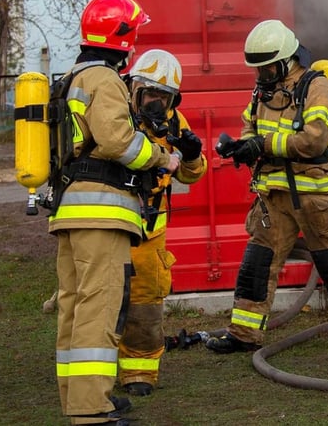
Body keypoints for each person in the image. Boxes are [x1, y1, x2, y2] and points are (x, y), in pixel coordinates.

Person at [205, 19, 328, 353]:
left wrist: (263, 145)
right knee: (258, 263)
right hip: (272, 196)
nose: (263, 75)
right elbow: (250, 124)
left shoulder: (317, 86)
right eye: (259, 69)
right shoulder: (262, 90)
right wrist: (241, 145)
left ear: (287, 59)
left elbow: (313, 141)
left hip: (314, 196)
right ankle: (244, 334)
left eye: (268, 68)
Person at [48, 0, 179, 426]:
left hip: (70, 210)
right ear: (120, 36)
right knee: (99, 308)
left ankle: (79, 397)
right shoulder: (103, 79)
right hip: (101, 212)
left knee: (74, 307)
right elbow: (118, 142)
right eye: (134, 32)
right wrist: (164, 159)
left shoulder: (72, 76)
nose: (136, 40)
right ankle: (91, 411)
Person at [118, 49, 208, 397]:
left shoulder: (175, 121)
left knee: (145, 303)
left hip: (150, 230)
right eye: (150, 93)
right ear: (134, 87)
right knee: (103, 298)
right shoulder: (117, 114)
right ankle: (92, 373)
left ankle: (139, 371)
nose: (156, 102)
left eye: (164, 96)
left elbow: (191, 175)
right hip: (113, 221)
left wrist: (192, 155)